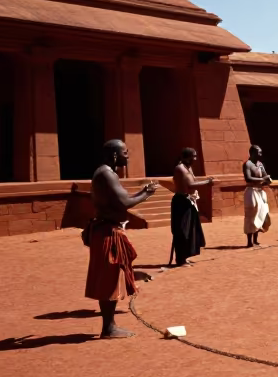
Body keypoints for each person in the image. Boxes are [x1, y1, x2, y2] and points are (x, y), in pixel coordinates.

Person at [84, 140, 158, 339]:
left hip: (108, 229)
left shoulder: (106, 173)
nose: (128, 156)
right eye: (125, 152)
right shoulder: (106, 174)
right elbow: (125, 202)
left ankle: (109, 325)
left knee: (111, 276)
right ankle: (108, 328)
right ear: (115, 156)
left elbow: (119, 200)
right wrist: (146, 193)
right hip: (107, 232)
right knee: (108, 279)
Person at [171, 147, 213, 266]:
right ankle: (180, 259)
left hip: (189, 201)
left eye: (195, 156)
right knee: (182, 231)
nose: (195, 159)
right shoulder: (180, 168)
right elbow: (189, 184)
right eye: (192, 156)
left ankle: (184, 257)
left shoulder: (188, 167)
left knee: (190, 230)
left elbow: (193, 180)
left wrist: (206, 180)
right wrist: (207, 182)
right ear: (186, 157)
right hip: (181, 202)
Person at [242, 145, 272, 247]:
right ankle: (249, 241)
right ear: (253, 153)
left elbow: (264, 175)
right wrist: (262, 179)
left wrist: (267, 180)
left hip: (260, 191)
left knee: (261, 214)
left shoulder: (260, 164)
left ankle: (255, 239)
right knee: (251, 215)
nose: (261, 154)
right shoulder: (247, 164)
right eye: (259, 153)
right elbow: (248, 178)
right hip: (251, 192)